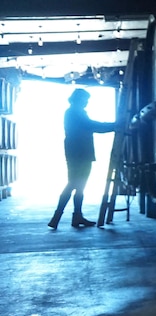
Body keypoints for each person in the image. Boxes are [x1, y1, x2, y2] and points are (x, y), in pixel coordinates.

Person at [48, 88, 117, 229]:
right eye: (85, 100)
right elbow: (92, 126)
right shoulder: (75, 113)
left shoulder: (73, 112)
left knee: (77, 185)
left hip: (76, 152)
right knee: (74, 184)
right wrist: (115, 125)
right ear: (78, 99)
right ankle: (58, 217)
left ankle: (73, 216)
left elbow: (90, 125)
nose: (86, 102)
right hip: (80, 153)